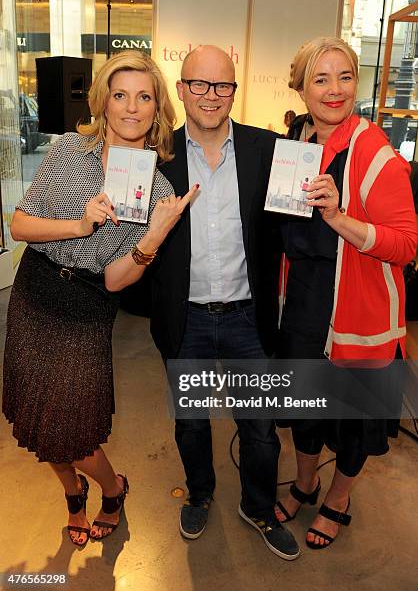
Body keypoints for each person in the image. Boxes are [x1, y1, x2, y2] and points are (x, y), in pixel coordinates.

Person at [2, 50, 197, 546]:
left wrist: (154, 237)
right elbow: (20, 224)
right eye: (120, 95)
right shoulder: (69, 150)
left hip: (87, 308)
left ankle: (112, 488)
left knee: (71, 427)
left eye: (144, 97)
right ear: (103, 103)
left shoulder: (157, 190)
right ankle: (73, 494)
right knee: (38, 417)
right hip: (35, 293)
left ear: (157, 110)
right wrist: (80, 223)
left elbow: (115, 279)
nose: (131, 107)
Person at [151, 45, 299, 560]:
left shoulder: (268, 150)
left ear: (234, 90)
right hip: (185, 319)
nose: (211, 96)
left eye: (222, 86)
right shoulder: (157, 158)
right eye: (199, 84)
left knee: (259, 429)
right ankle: (200, 494)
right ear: (181, 89)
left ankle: (258, 506)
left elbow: (289, 231)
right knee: (190, 423)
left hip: (246, 319)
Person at [274, 37, 417, 549]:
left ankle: (337, 500)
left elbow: (405, 245)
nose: (334, 90)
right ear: (301, 88)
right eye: (321, 78)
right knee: (304, 408)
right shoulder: (296, 138)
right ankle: (306, 482)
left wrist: (339, 217)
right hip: (305, 303)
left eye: (344, 77)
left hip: (360, 308)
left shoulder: (376, 152)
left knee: (352, 420)